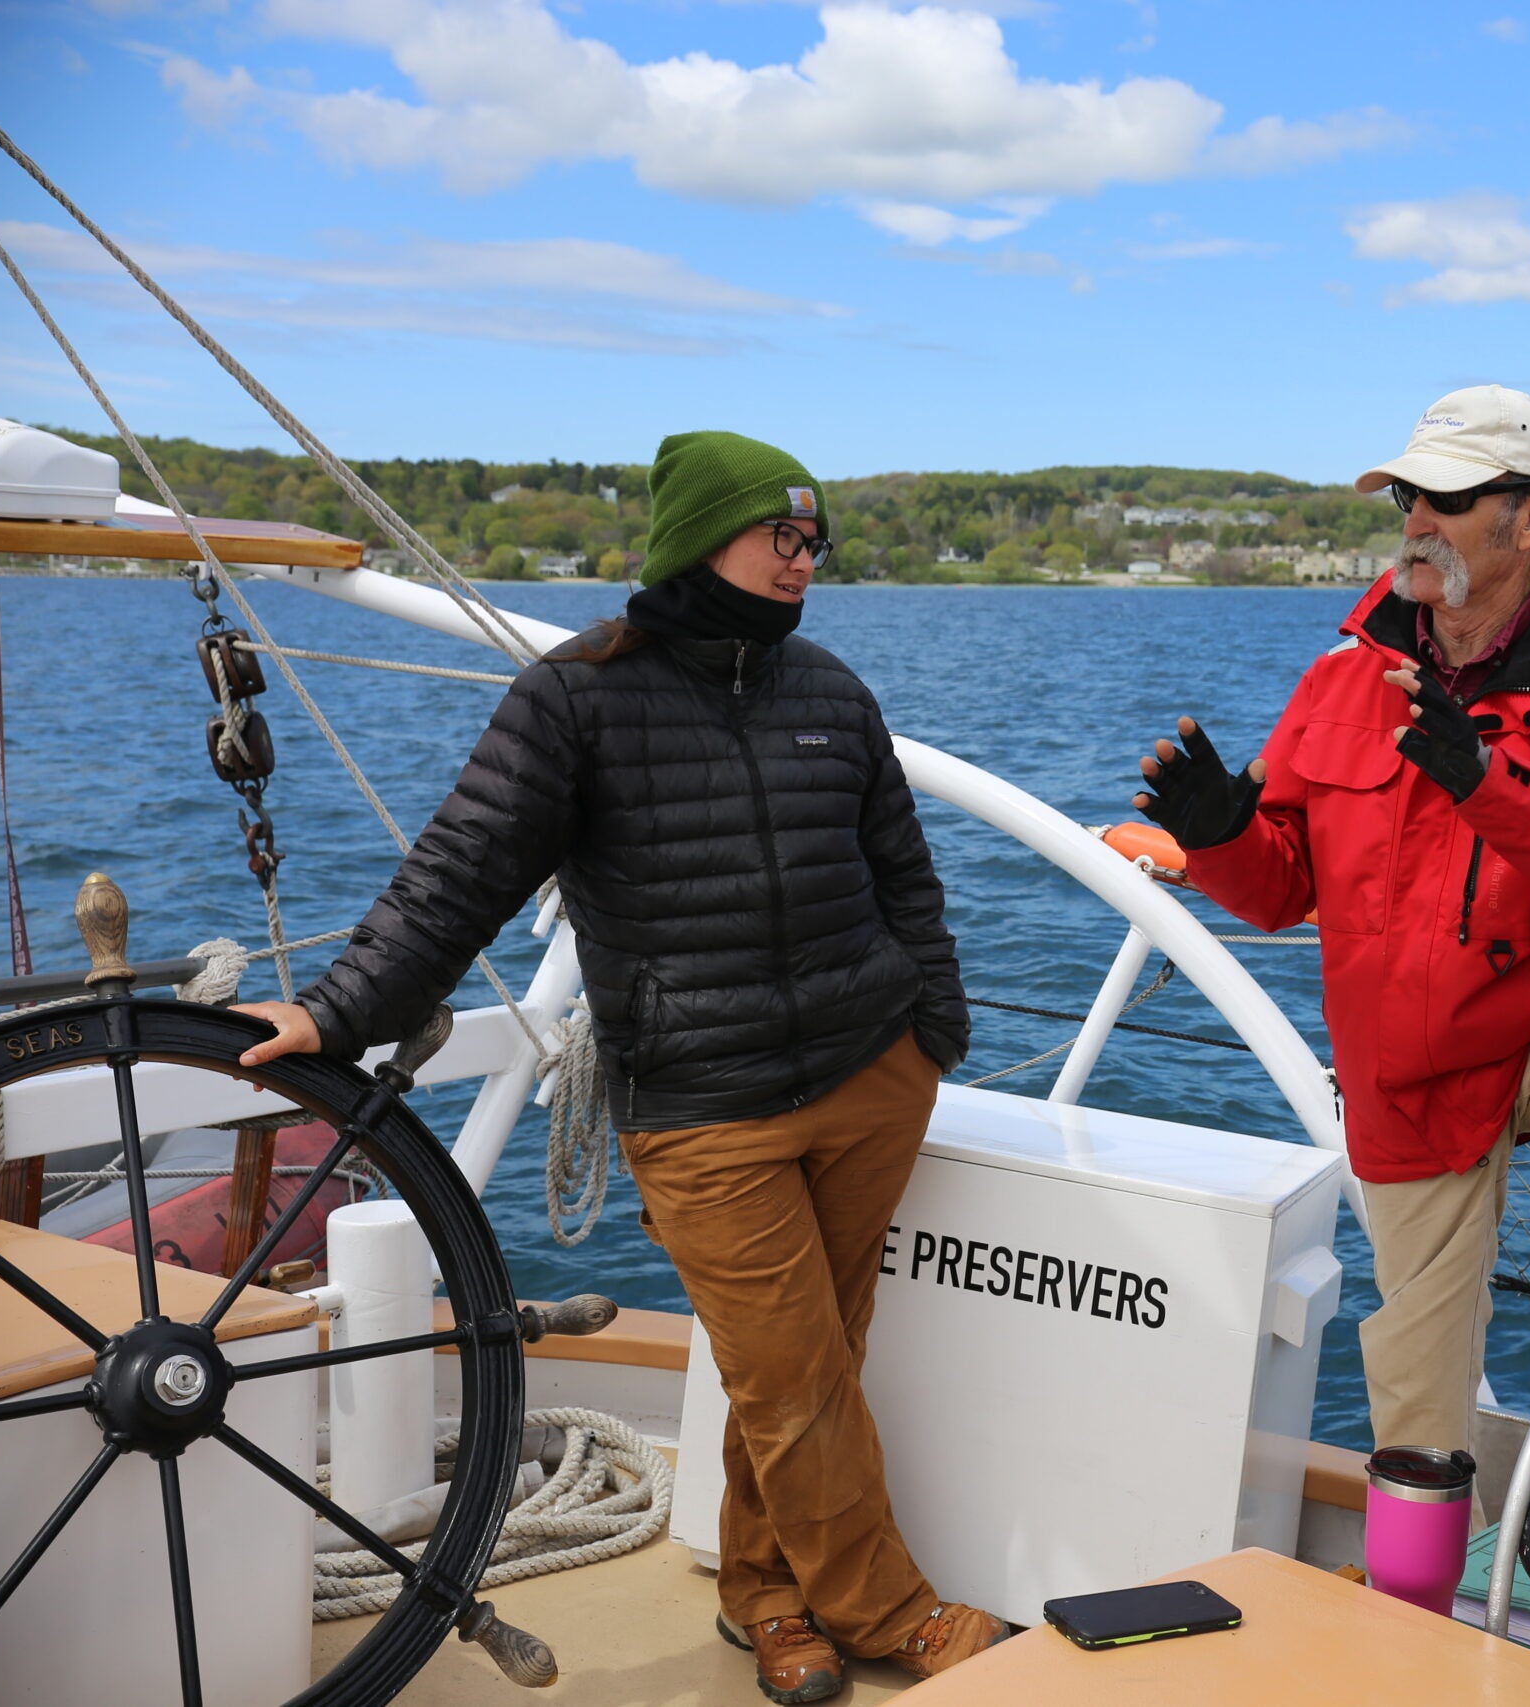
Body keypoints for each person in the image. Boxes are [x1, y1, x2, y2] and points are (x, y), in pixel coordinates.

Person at [234, 430, 1005, 1703]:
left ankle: (769, 1603)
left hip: (871, 1075)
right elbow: (460, 874)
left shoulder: (831, 693)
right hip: (706, 1108)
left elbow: (903, 878)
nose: (807, 561)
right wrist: (341, 1009)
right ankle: (887, 1614)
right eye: (785, 536)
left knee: (813, 1360)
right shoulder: (574, 696)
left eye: (816, 541)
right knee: (794, 1371)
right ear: (707, 535)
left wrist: (935, 1025)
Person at [1133, 386, 1530, 1466]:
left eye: (1449, 498)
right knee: (1414, 1429)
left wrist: (1492, 785)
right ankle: (1419, 1605)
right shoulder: (1336, 681)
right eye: (1409, 492)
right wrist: (1220, 838)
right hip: (1406, 1073)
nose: (1415, 517)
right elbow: (1276, 890)